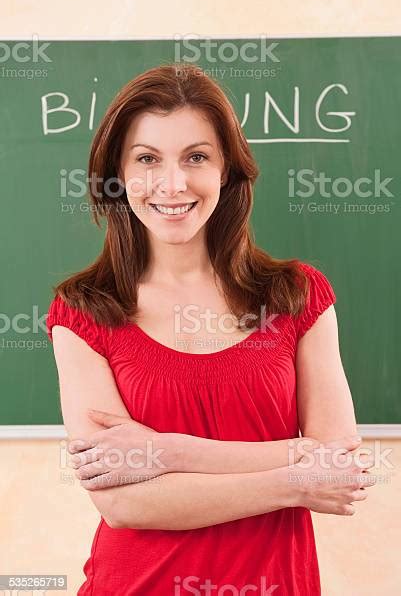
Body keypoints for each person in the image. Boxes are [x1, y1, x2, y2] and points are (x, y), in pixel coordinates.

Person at [46, 63, 376, 595]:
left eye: (196, 157)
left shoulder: (298, 295)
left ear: (226, 170)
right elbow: (123, 502)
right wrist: (294, 479)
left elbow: (340, 462)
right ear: (118, 173)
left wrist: (171, 453)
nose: (172, 184)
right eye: (147, 159)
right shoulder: (84, 311)